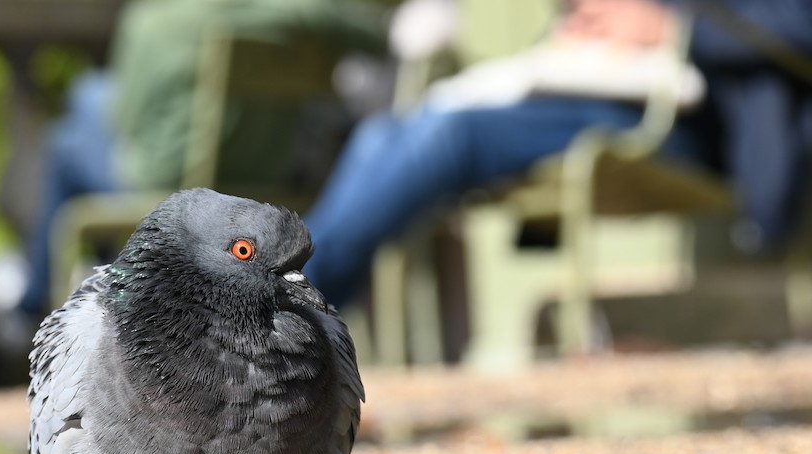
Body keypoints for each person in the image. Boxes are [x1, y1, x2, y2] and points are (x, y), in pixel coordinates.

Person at [301, 0, 812, 310]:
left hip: (694, 119)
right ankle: (281, 313)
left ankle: (271, 319)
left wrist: (676, 29)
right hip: (590, 88)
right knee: (383, 133)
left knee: (449, 135)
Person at [14, 0, 389, 320]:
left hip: (169, 182)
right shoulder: (295, 13)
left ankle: (32, 308)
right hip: (265, 174)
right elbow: (377, 33)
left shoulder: (152, 20)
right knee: (89, 95)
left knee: (68, 137)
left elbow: (128, 123)